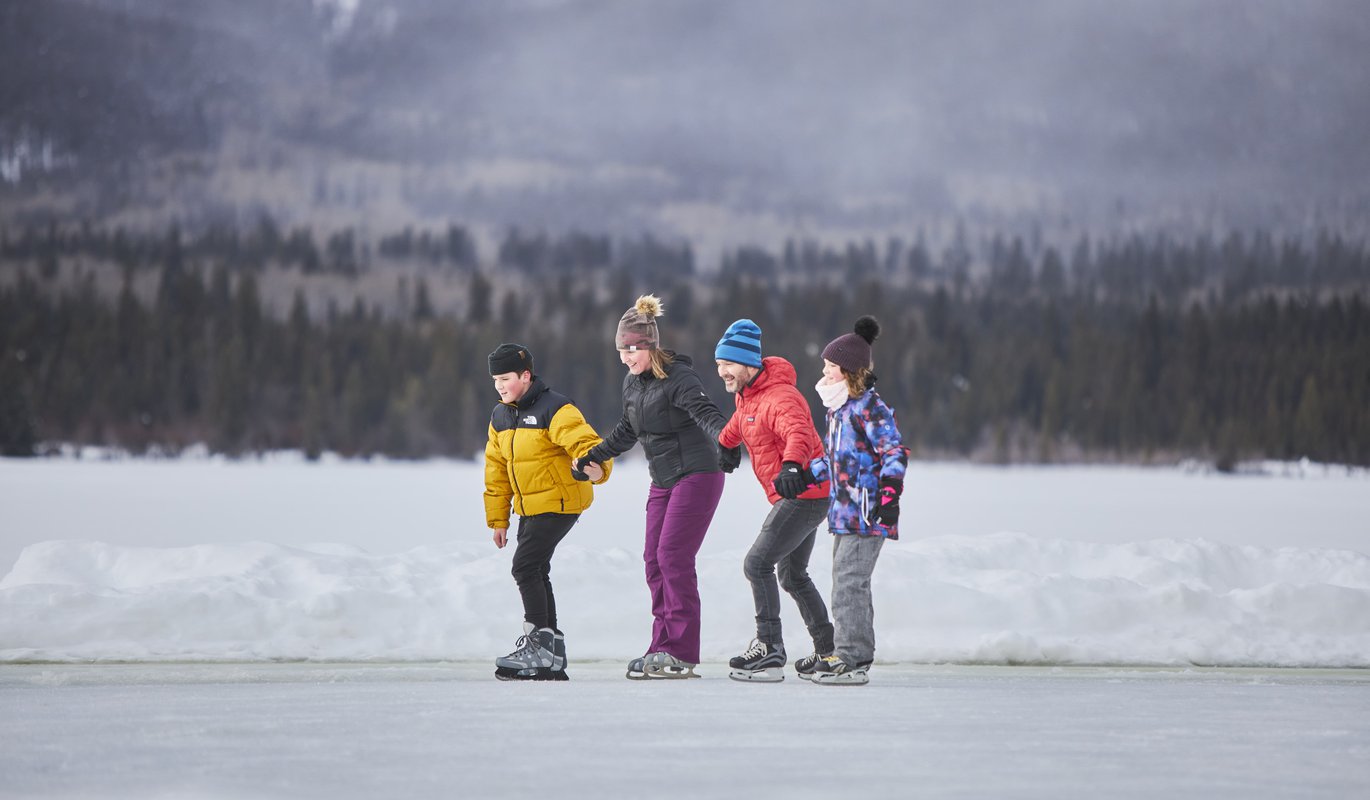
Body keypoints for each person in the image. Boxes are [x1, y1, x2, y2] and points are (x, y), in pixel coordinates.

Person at [576, 295, 735, 680]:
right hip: (663, 480)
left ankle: (680, 652)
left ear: (649, 346)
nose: (626, 357)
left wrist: (726, 443)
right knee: (653, 560)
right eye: (621, 350)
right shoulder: (633, 383)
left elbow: (708, 414)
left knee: (673, 557)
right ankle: (661, 645)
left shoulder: (679, 379)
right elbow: (628, 429)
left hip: (698, 474)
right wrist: (594, 456)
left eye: (632, 349)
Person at [714, 319, 836, 683]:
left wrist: (793, 464)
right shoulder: (750, 397)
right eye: (718, 365)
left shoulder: (781, 396)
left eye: (728, 365)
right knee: (792, 574)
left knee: (757, 564)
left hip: (803, 493)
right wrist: (724, 444)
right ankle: (828, 651)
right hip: (803, 496)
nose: (722, 372)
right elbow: (740, 422)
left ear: (750, 363)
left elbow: (798, 431)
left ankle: (769, 647)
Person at [484, 343, 612, 681]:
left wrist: (596, 467)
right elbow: (496, 470)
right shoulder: (500, 416)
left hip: (559, 501)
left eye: (506, 378)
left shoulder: (555, 408)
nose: (500, 386)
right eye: (496, 379)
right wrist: (499, 519)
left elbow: (585, 443)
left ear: (525, 376)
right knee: (536, 569)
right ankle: (550, 653)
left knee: (524, 567)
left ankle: (538, 647)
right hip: (531, 507)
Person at [804, 316, 908, 685]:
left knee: (850, 581)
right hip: (845, 512)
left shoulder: (869, 408)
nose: (824, 371)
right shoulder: (838, 410)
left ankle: (851, 657)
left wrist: (890, 497)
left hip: (868, 511)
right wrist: (805, 474)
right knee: (845, 581)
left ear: (847, 371)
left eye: (829, 366)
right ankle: (850, 653)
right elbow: (835, 462)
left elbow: (894, 452)